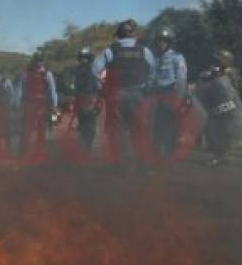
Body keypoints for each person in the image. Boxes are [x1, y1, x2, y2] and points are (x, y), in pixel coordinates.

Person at [91, 19, 155, 167]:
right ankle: (141, 164)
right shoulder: (145, 51)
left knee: (117, 131)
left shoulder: (110, 50)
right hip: (138, 94)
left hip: (116, 95)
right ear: (135, 35)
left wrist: (102, 86)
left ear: (119, 34)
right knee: (139, 129)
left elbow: (95, 70)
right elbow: (152, 73)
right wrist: (146, 88)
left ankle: (122, 165)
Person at [197, 50, 242, 166]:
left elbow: (237, 88)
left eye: (220, 59)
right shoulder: (214, 71)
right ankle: (221, 155)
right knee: (216, 130)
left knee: (222, 131)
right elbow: (204, 81)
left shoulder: (230, 73)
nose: (217, 61)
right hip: (218, 104)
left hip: (227, 105)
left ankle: (221, 156)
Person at [150, 27, 188, 159]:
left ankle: (167, 156)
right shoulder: (154, 57)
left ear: (170, 42)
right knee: (155, 127)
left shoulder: (177, 57)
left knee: (170, 127)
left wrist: (178, 99)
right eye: (159, 40)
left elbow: (181, 79)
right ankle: (155, 156)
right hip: (155, 95)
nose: (161, 43)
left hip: (171, 94)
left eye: (165, 41)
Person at [19, 52, 58, 157]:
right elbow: (22, 89)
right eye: (37, 60)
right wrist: (19, 103)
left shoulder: (46, 74)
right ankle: (25, 151)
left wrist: (54, 104)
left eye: (40, 60)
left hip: (41, 104)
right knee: (28, 128)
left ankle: (38, 151)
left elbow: (52, 90)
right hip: (32, 104)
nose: (38, 63)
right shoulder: (28, 74)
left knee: (41, 128)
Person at [72, 47, 101, 153]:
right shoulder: (93, 70)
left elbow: (75, 87)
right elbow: (97, 85)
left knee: (84, 125)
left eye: (85, 58)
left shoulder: (76, 70)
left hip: (81, 100)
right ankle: (86, 149)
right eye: (83, 58)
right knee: (90, 126)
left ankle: (83, 148)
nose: (84, 60)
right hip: (89, 100)